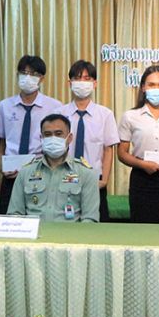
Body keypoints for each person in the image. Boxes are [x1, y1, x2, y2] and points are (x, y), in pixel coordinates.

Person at [0, 55, 64, 214]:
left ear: (42, 79)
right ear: (17, 75)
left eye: (33, 74)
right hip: (11, 175)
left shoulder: (54, 107)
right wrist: (2, 167)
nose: (28, 77)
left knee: (39, 218)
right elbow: (0, 143)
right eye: (24, 73)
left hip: (41, 173)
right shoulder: (5, 106)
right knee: (8, 218)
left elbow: (59, 143)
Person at [117, 65, 159, 224]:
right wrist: (143, 164)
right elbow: (122, 153)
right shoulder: (130, 116)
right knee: (140, 224)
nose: (156, 88)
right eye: (151, 85)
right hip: (141, 177)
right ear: (143, 88)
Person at [56, 60, 117, 222]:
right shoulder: (59, 114)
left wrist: (104, 180)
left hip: (94, 180)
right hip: (64, 179)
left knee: (97, 227)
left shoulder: (105, 114)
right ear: (69, 83)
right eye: (77, 78)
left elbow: (108, 150)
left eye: (87, 78)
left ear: (94, 84)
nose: (82, 82)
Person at [8, 114, 99, 222]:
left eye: (58, 134)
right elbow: (15, 214)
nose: (53, 138)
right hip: (35, 232)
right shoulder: (25, 172)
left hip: (70, 233)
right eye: (47, 134)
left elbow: (90, 219)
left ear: (69, 138)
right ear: (41, 139)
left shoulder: (86, 174)